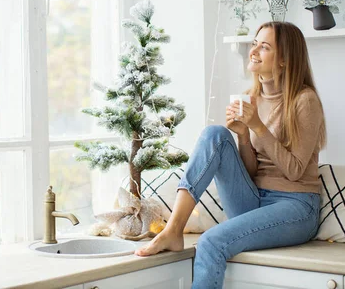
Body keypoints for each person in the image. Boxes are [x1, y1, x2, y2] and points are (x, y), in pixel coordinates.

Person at [135, 21, 326, 289]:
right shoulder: (252, 98)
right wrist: (243, 136)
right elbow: (251, 174)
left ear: (284, 60)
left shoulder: (305, 101)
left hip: (296, 206)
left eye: (265, 46)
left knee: (212, 241)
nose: (254, 51)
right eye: (254, 44)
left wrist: (257, 125)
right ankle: (174, 229)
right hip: (255, 199)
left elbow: (294, 171)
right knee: (215, 134)